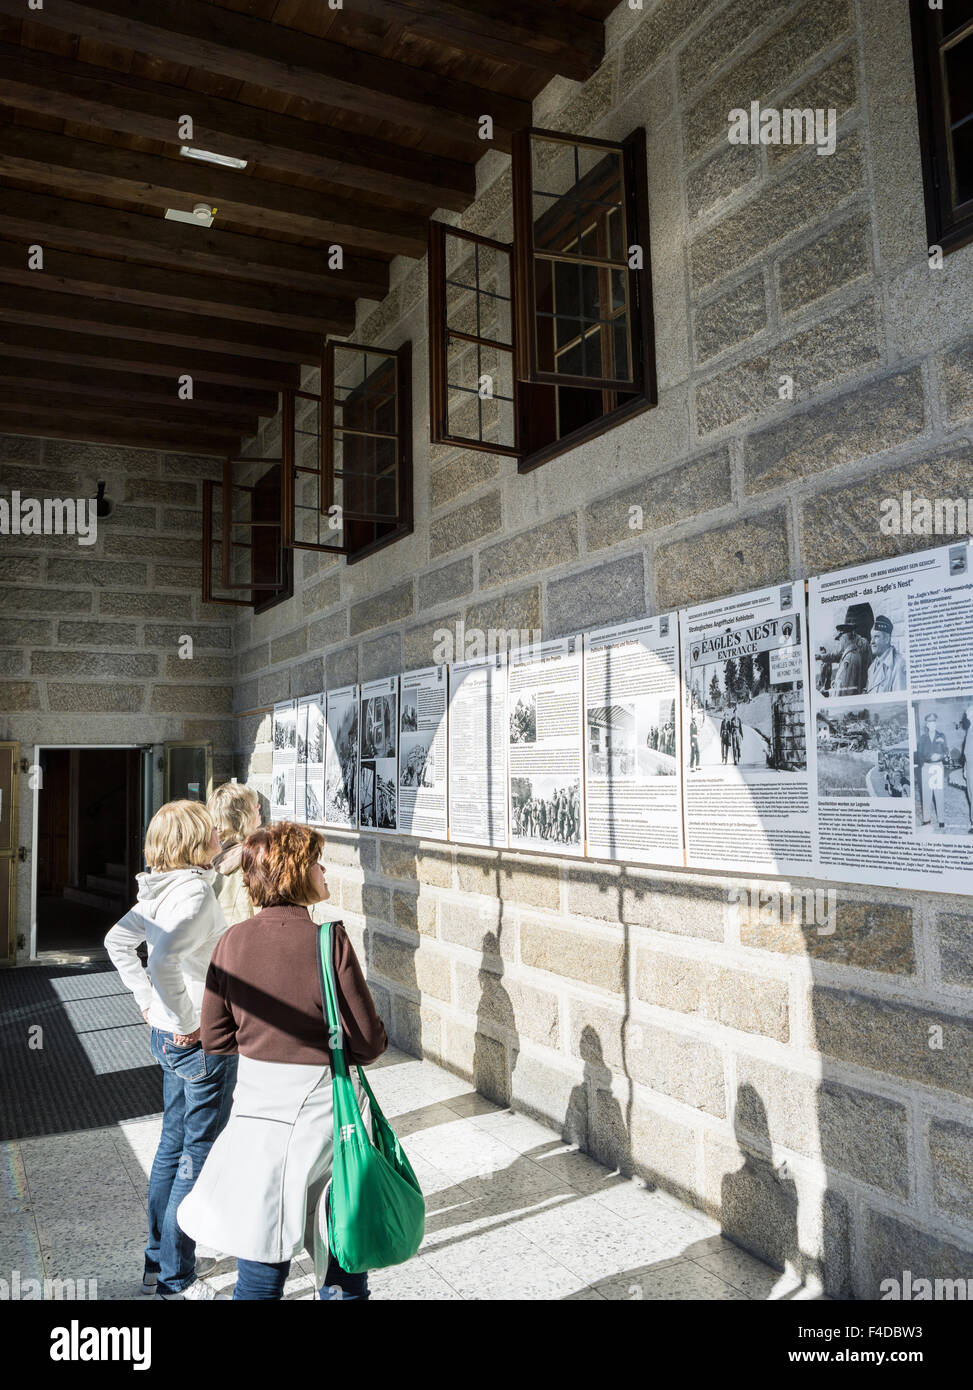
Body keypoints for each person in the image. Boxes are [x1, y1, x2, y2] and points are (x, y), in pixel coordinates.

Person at [176, 822, 389, 1302]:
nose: (323, 868)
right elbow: (369, 1044)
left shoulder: (231, 942)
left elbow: (214, 1037)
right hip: (326, 1119)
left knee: (261, 1256)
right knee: (342, 1250)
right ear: (294, 872)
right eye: (315, 861)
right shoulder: (328, 941)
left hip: (257, 1115)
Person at [104, 800, 236, 1300]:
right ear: (194, 843)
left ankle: (158, 1260)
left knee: (171, 1148)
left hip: (167, 1038)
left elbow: (117, 942)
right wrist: (188, 1020)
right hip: (198, 1041)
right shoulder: (195, 896)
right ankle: (175, 1279)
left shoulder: (161, 889)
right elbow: (160, 959)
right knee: (194, 1155)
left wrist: (149, 1006)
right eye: (210, 832)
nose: (219, 836)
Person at [208, 782, 261, 927]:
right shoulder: (251, 859)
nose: (259, 807)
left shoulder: (212, 856)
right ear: (243, 816)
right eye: (254, 805)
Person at [918, 712, 949, 830]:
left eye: (934, 722)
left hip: (938, 767)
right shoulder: (922, 738)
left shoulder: (942, 736)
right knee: (926, 794)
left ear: (936, 723)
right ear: (927, 725)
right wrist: (928, 759)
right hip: (926, 767)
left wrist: (940, 756)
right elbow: (920, 754)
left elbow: (946, 751)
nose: (932, 724)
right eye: (930, 722)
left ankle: (941, 820)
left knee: (939, 793)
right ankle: (926, 819)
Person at [865, 616, 907, 693]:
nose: (872, 642)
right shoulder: (872, 667)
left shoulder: (898, 666)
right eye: (871, 637)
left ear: (887, 639)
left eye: (876, 637)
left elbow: (900, 702)